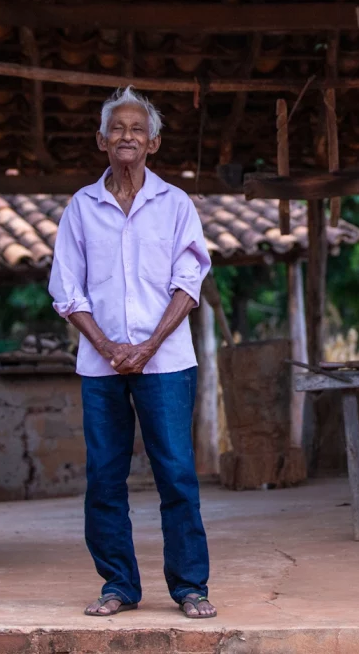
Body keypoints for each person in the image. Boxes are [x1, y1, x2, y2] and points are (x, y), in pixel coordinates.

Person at [48, 86, 217, 620]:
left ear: (154, 142)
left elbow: (189, 282)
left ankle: (190, 586)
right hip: (101, 367)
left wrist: (145, 347)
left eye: (136, 129)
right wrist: (110, 348)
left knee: (175, 473)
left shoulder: (175, 206)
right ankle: (118, 584)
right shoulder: (81, 207)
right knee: (104, 477)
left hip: (164, 363)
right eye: (117, 129)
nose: (126, 136)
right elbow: (65, 289)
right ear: (102, 140)